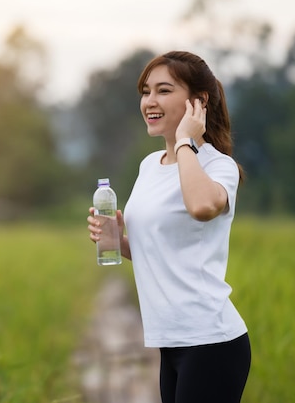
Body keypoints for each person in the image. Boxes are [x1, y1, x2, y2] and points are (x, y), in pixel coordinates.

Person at [87, 50, 250, 403]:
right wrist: (119, 240)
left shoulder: (218, 166)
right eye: (146, 91)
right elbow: (158, 250)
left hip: (211, 340)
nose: (150, 101)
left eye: (163, 90)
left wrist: (185, 141)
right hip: (170, 341)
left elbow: (203, 206)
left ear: (198, 101)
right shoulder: (149, 165)